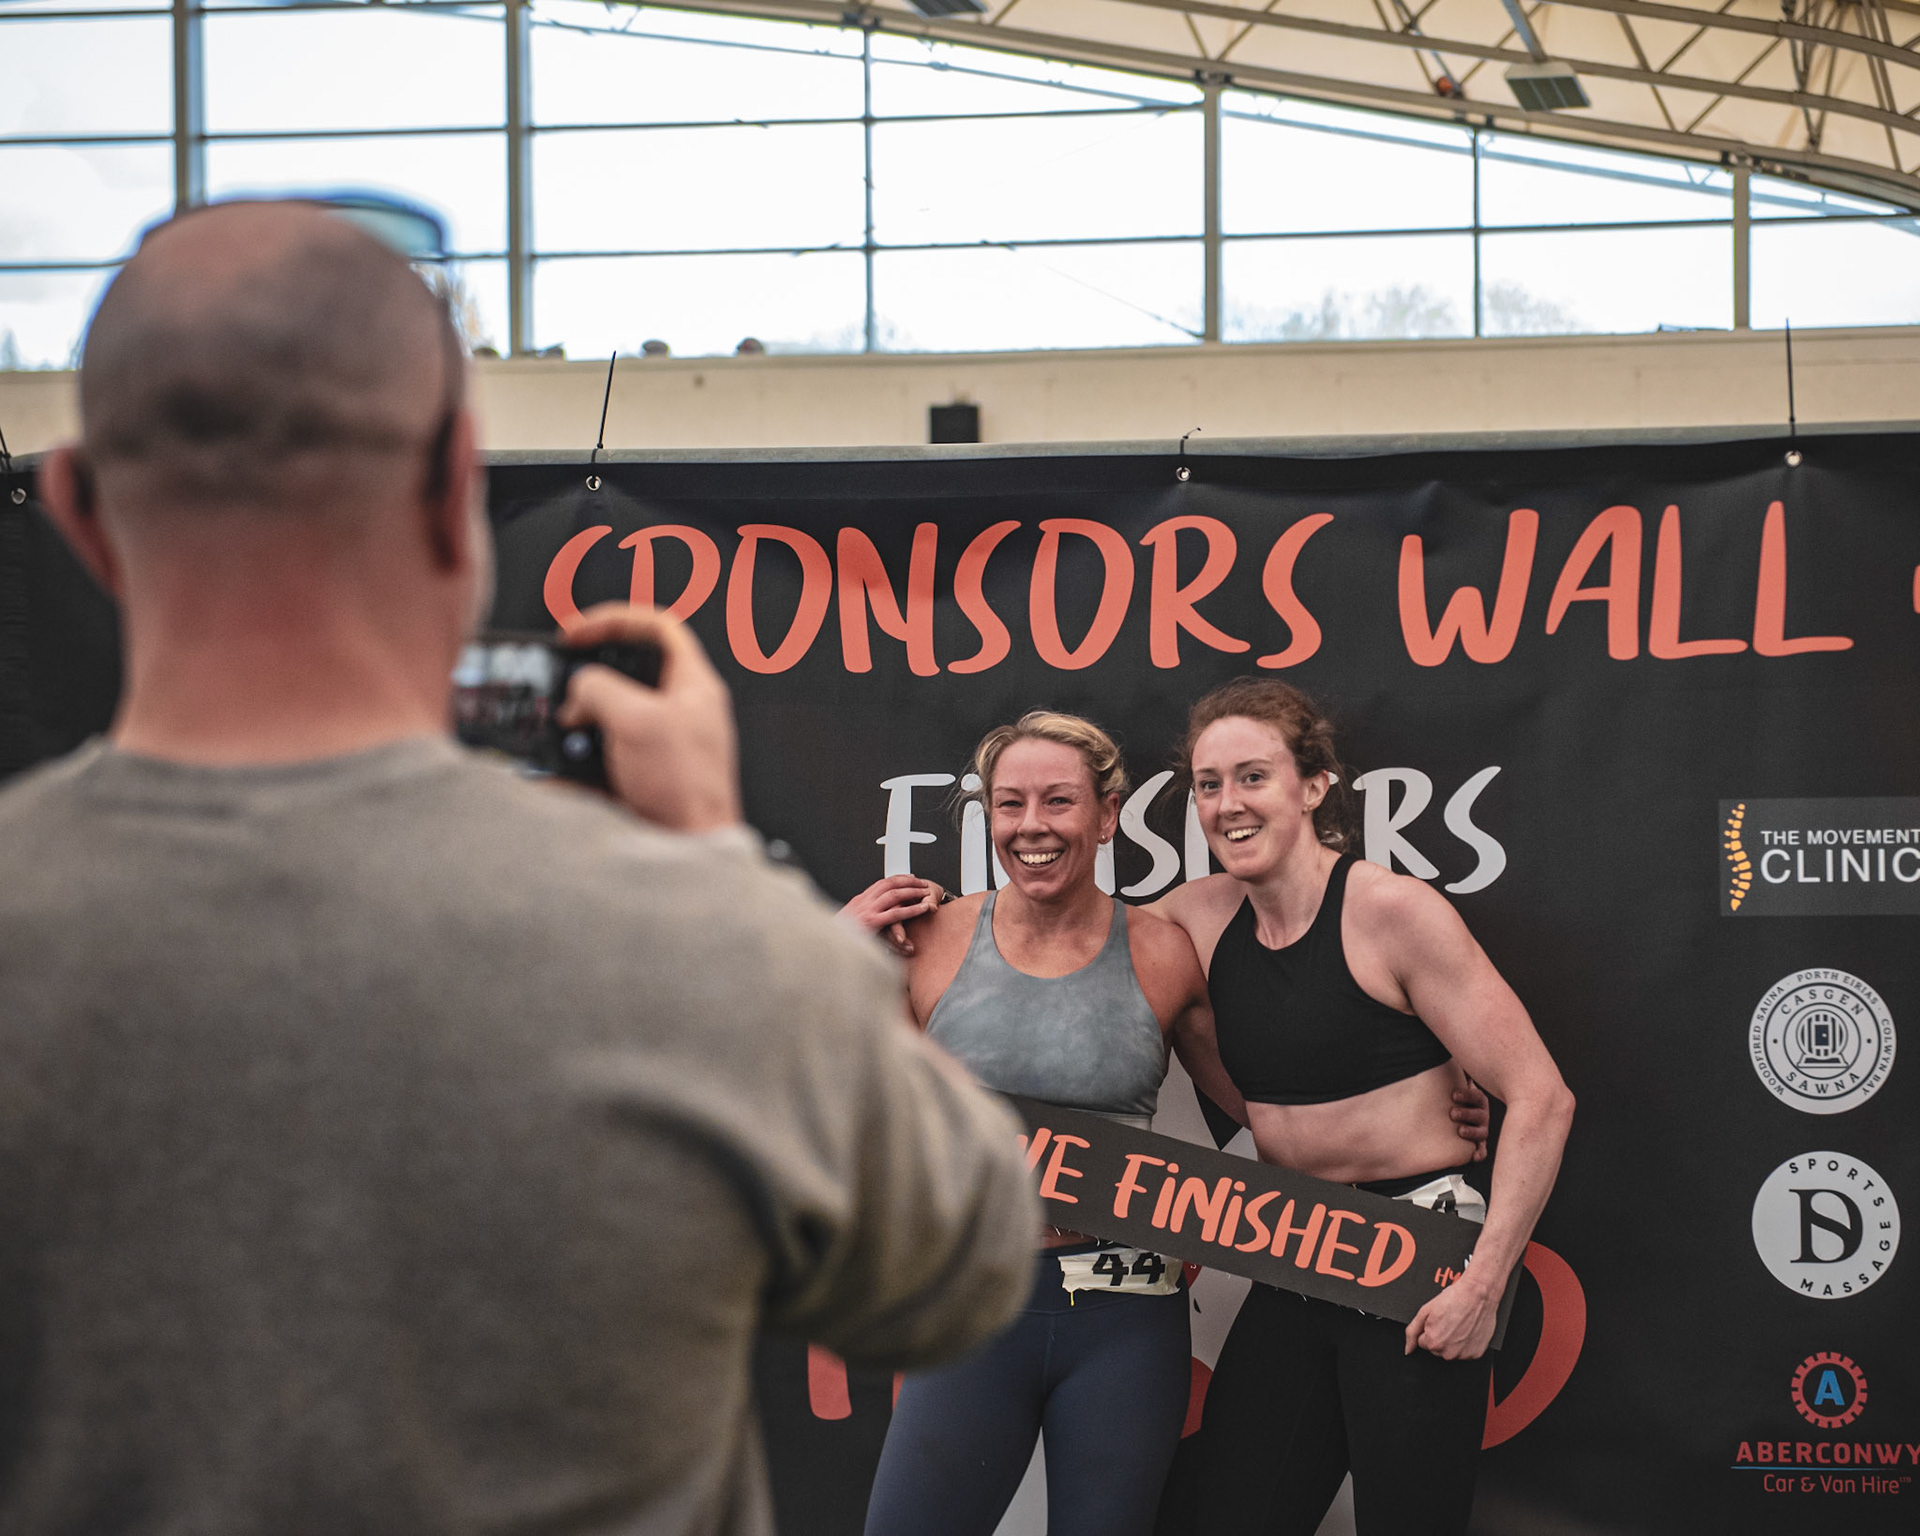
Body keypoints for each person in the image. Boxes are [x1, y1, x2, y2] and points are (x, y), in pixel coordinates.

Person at [2, 200, 1039, 1536]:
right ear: (454, 486)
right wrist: (713, 853)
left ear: (77, 506)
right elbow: (964, 1268)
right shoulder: (696, 945)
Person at [1149, 677, 1575, 1536]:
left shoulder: (1391, 912)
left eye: (1253, 777)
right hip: (1297, 1246)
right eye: (1208, 784)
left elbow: (1542, 1097)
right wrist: (915, 923)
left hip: (1419, 1254)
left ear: (1313, 786)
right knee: (1228, 1512)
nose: (1228, 804)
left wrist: (1482, 1286)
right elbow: (1063, 941)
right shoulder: (1196, 915)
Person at [840, 712, 1232, 1536]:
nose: (1031, 826)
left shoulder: (1163, 952)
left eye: (1058, 800)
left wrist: (1423, 1104)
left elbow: (1267, 1105)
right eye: (1009, 803)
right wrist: (830, 953)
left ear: (1107, 813)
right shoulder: (929, 938)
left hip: (1127, 1314)